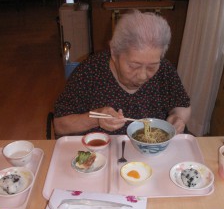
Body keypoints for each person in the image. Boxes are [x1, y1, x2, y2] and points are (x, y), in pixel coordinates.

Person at [54, 9, 191, 137]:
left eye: (151, 67)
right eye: (133, 66)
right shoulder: (90, 71)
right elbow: (60, 124)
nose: (143, 76)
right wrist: (96, 118)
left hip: (152, 151)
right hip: (103, 154)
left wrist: (178, 118)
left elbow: (182, 106)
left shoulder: (165, 69)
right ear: (114, 53)